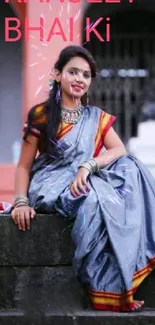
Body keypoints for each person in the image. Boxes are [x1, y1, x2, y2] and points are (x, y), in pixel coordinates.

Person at [2, 45, 155, 312]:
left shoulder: (95, 117)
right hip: (49, 184)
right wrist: (21, 201)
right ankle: (105, 289)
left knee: (130, 168)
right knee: (97, 198)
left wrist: (88, 165)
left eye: (85, 75)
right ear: (57, 74)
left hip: (83, 179)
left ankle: (122, 278)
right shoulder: (41, 115)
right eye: (73, 72)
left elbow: (119, 150)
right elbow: (24, 166)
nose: (79, 80)